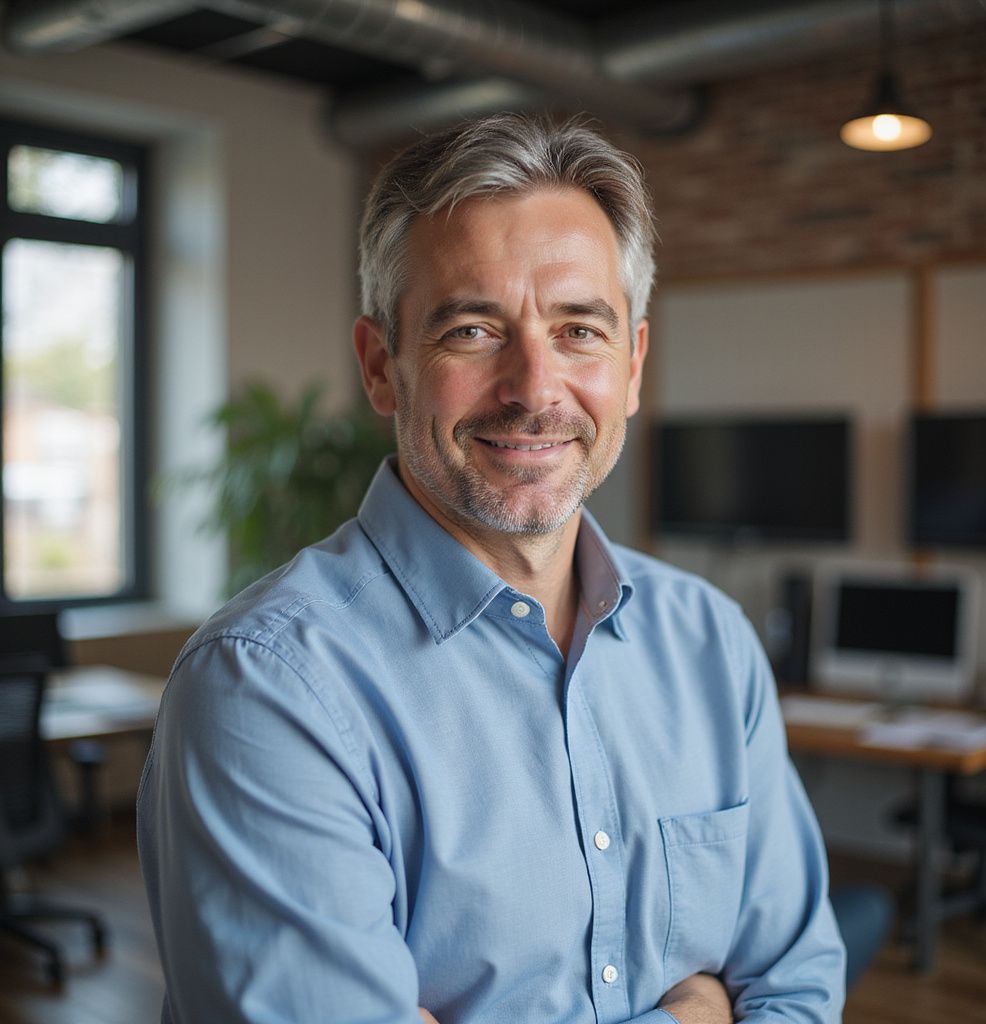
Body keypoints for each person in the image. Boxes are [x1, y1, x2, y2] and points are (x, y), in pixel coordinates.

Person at [137, 112, 845, 1023]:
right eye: (472, 330)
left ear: (631, 365)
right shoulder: (266, 691)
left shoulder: (709, 641)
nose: (536, 388)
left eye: (579, 330)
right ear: (381, 366)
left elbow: (795, 985)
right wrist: (693, 1015)